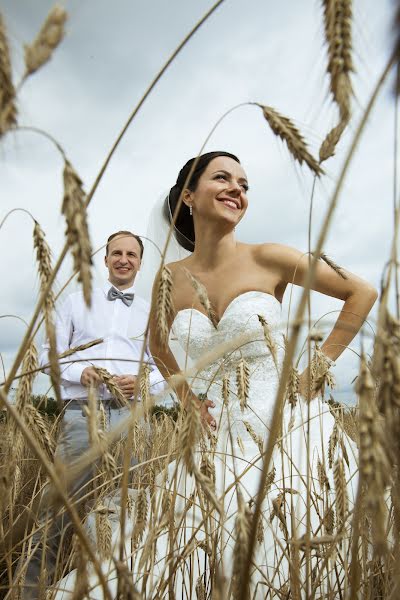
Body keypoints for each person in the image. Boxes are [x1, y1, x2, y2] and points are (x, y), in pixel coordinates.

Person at [50, 153, 376, 598]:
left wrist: (316, 369)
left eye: (244, 183)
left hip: (289, 430)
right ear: (188, 196)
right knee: (185, 552)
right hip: (214, 440)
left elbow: (361, 292)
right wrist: (188, 400)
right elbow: (159, 347)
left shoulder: (270, 257)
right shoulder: (169, 277)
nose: (237, 189)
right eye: (222, 178)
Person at [20, 230, 166, 599]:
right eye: (116, 253)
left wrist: (145, 382)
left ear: (139, 262)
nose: (123, 259)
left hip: (130, 415)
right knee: (59, 506)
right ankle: (31, 592)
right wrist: (77, 373)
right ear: (104, 259)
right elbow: (50, 355)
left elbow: (166, 365)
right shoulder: (73, 302)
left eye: (131, 254)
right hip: (80, 412)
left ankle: (110, 588)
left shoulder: (153, 310)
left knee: (126, 506)